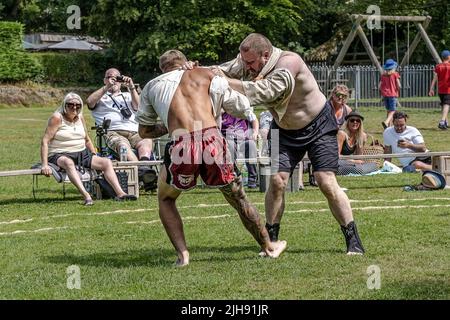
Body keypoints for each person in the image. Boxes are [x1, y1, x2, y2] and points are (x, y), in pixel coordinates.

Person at [202, 33, 364, 255]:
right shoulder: (247, 61)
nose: (246, 67)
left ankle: (353, 239)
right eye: (244, 62)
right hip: (284, 130)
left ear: (265, 55)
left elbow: (267, 91)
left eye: (250, 63)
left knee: (325, 181)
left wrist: (222, 82)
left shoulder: (289, 62)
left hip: (319, 125)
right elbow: (220, 70)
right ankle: (271, 239)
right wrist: (194, 70)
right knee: (277, 181)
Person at [136, 49, 287, 266]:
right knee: (238, 198)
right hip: (212, 139)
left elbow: (144, 132)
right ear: (186, 62)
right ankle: (269, 246)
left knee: (166, 199)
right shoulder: (205, 73)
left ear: (162, 69)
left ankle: (183, 256)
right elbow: (241, 106)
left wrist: (169, 124)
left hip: (181, 142)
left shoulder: (152, 85)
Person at [40, 92, 137, 205]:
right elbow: (45, 141)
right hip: (59, 153)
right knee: (68, 163)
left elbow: (86, 139)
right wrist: (45, 165)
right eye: (70, 104)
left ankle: (120, 194)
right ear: (64, 105)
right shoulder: (57, 118)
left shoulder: (80, 117)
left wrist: (93, 153)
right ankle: (86, 196)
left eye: (78, 105)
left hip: (81, 152)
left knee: (106, 162)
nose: (74, 107)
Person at [86, 68, 156, 190]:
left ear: (121, 81)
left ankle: (144, 168)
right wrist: (107, 87)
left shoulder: (128, 95)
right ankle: (144, 173)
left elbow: (140, 108)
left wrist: (132, 87)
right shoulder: (101, 96)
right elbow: (89, 102)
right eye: (109, 77)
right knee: (123, 147)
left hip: (135, 131)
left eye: (116, 78)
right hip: (113, 132)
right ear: (104, 80)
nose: (113, 80)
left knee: (146, 141)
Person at [221, 111, 259, 188]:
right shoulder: (220, 114)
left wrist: (255, 132)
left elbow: (254, 119)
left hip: (244, 140)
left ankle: (252, 180)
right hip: (228, 140)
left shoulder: (242, 109)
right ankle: (235, 175)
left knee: (251, 144)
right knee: (230, 145)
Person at [337, 111, 378, 175]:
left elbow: (359, 157)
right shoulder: (342, 134)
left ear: (360, 123)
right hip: (338, 161)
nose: (355, 122)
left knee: (374, 165)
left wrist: (356, 162)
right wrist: (353, 161)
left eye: (358, 120)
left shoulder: (361, 136)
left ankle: (356, 169)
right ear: (347, 122)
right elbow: (336, 156)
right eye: (352, 120)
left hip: (350, 163)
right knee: (359, 169)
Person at [429, 50, 450, 130]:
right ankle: (442, 121)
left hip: (440, 89)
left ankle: (445, 122)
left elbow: (435, 78)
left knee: (444, 105)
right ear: (448, 57)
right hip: (448, 89)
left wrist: (431, 88)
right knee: (447, 105)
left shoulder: (438, 66)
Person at [379, 59, 401, 129]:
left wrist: (382, 93)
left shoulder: (383, 76)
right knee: (393, 111)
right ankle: (386, 122)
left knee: (388, 111)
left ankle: (389, 126)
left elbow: (379, 86)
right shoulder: (395, 74)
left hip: (385, 95)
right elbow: (399, 85)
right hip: (392, 95)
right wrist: (398, 89)